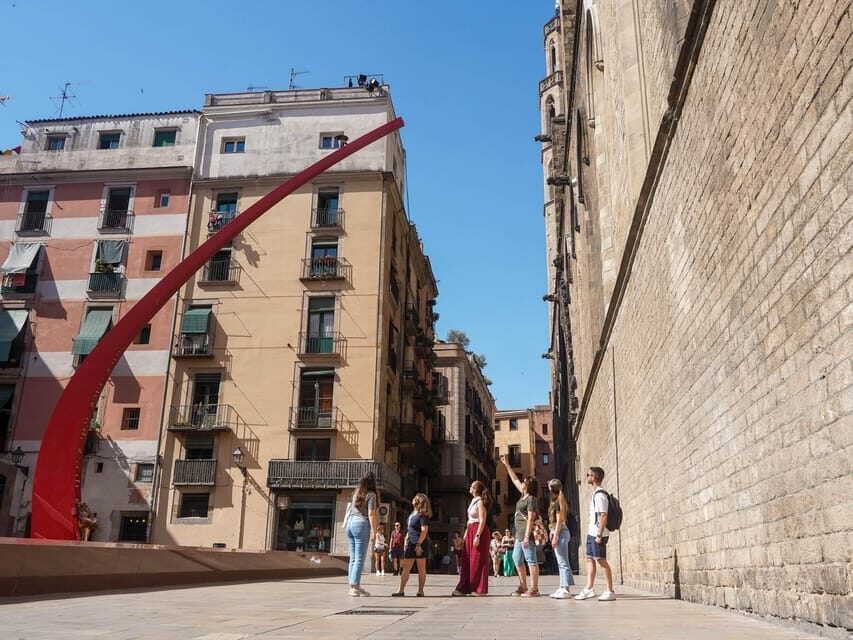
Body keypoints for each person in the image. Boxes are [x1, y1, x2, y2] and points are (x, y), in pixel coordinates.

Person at [499, 454, 540, 597]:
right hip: (519, 535)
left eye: (524, 482)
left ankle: (534, 589)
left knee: (531, 560)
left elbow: (530, 519)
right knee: (516, 559)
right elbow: (514, 479)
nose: (521, 483)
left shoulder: (532, 499)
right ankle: (523, 586)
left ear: (528, 485)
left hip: (526, 535)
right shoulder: (523, 496)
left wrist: (527, 536)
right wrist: (507, 465)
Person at [575, 466, 615, 601]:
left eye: (588, 475)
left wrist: (599, 534)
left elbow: (604, 515)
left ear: (594, 477)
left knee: (601, 560)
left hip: (599, 534)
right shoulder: (596, 493)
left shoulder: (600, 495)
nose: (587, 476)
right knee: (590, 559)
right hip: (592, 533)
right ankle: (589, 589)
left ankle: (610, 591)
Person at [452, 480, 492, 596]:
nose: (470, 487)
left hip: (479, 531)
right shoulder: (473, 501)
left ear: (475, 489)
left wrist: (477, 536)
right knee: (467, 559)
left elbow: (482, 519)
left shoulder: (480, 502)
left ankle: (479, 589)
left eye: (472, 486)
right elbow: (470, 520)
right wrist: (466, 534)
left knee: (478, 560)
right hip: (471, 530)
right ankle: (465, 587)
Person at [392, 493, 432, 597]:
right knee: (406, 567)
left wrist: (418, 544)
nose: (413, 499)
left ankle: (420, 591)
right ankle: (400, 590)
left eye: (415, 498)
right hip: (410, 543)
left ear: (419, 501)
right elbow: (410, 529)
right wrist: (406, 540)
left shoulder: (422, 514)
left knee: (421, 568)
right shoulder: (413, 513)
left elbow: (424, 531)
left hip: (420, 543)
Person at [346, 471, 379, 597]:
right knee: (360, 558)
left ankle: (354, 585)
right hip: (361, 523)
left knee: (353, 558)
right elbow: (371, 514)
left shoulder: (356, 493)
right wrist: (375, 532)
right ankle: (354, 586)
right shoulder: (371, 495)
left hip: (350, 522)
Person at [547, 478, 575, 599]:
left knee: (563, 562)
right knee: (561, 562)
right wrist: (552, 532)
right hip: (560, 533)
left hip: (561, 533)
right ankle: (562, 586)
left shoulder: (558, 502)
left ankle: (566, 589)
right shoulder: (558, 500)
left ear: (551, 489)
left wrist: (555, 536)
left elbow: (559, 521)